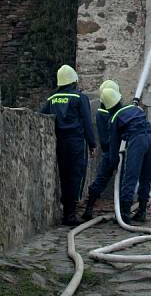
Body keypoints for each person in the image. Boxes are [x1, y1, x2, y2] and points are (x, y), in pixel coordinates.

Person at [41, 64, 97, 226]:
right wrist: (92, 144)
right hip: (76, 142)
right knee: (75, 176)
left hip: (59, 142)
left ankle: (66, 212)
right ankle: (70, 215)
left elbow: (40, 116)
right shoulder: (80, 98)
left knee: (64, 176)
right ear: (74, 81)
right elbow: (87, 122)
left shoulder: (52, 99)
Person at [100, 86, 151, 224]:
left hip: (138, 141)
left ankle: (125, 213)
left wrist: (113, 164)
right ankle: (142, 211)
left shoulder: (115, 118)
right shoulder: (134, 109)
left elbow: (114, 146)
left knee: (130, 176)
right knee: (145, 177)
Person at [81, 79, 120, 220]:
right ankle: (123, 212)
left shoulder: (100, 113)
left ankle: (89, 209)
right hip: (114, 151)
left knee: (101, 180)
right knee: (121, 180)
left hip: (108, 152)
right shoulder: (111, 113)